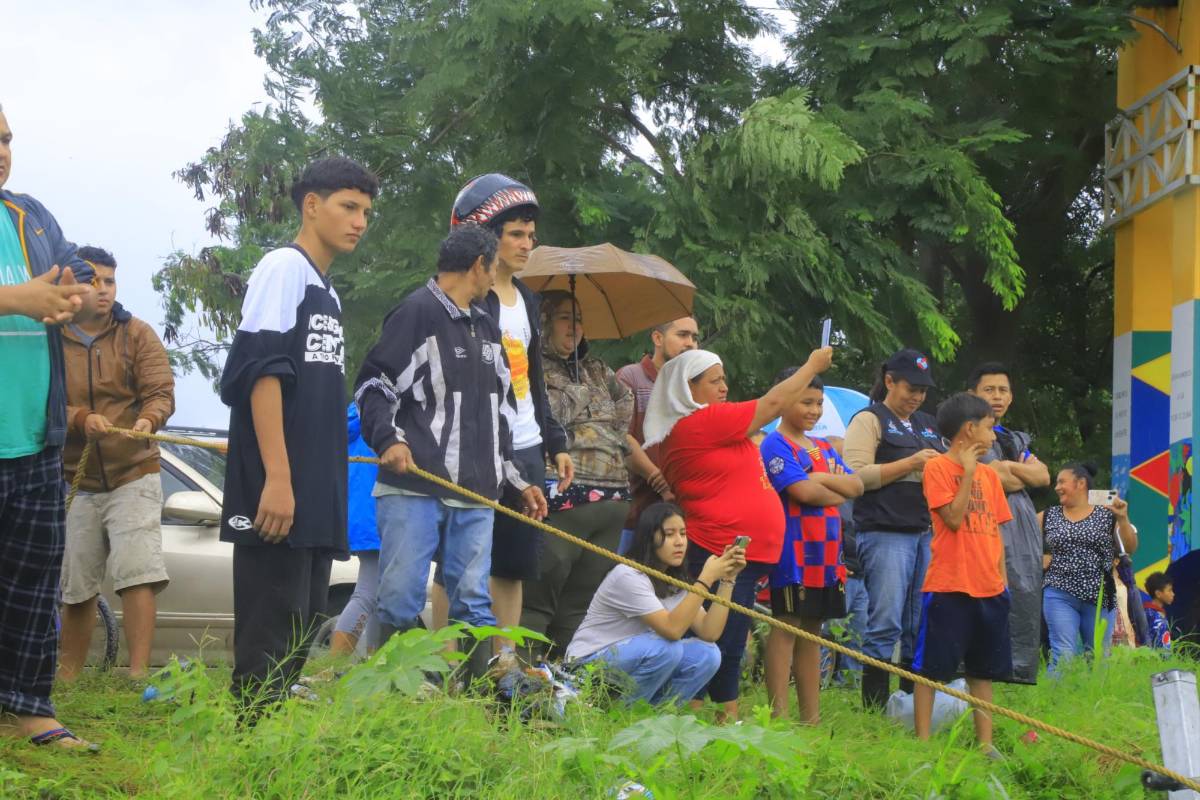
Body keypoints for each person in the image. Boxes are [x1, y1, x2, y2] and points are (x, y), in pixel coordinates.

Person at [354, 224, 549, 680]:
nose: (495, 277)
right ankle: (402, 693)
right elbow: (374, 385)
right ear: (479, 265)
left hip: (478, 493)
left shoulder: (486, 325)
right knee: (400, 596)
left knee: (473, 601)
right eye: (493, 267)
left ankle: (473, 700)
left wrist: (518, 482)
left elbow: (501, 413)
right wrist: (389, 440)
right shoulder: (416, 313)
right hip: (415, 486)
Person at [219, 157, 378, 711]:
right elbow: (260, 372)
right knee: (269, 627)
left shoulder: (326, 291)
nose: (359, 222)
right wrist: (278, 478)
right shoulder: (283, 268)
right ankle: (249, 740)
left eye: (366, 212)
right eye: (348, 207)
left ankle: (270, 741)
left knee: (300, 625)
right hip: (277, 486)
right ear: (312, 205)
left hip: (313, 488)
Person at [643, 346, 833, 720]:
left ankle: (716, 719)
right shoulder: (699, 421)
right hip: (719, 550)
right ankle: (707, 720)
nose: (724, 387)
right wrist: (811, 365)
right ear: (688, 388)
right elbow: (773, 403)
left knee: (726, 642)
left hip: (736, 553)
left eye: (724, 379)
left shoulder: (709, 426)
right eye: (714, 381)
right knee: (718, 644)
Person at [436, 174, 573, 650]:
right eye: (515, 234)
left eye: (531, 235)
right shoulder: (465, 297)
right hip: (475, 445)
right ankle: (445, 664)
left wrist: (554, 440)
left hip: (527, 444)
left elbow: (532, 378)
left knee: (514, 564)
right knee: (455, 561)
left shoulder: (528, 299)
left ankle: (504, 664)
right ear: (485, 236)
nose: (526, 244)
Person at [0, 104, 96, 748]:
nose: (2, 151)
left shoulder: (28, 215)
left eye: (6, 139)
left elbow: (77, 276)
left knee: (32, 581)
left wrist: (71, 296)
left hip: (35, 438)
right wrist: (19, 298)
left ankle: (30, 706)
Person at [58, 246, 176, 682]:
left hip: (134, 471)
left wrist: (148, 420)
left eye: (109, 281)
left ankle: (137, 674)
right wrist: (80, 419)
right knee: (76, 583)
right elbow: (42, 400)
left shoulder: (137, 333)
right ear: (72, 286)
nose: (104, 290)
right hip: (76, 477)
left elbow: (161, 392)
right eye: (94, 282)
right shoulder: (52, 337)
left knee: (138, 573)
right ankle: (68, 677)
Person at [520, 292, 633, 654]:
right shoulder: (530, 367)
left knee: (580, 605)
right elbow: (549, 417)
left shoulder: (596, 368)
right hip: (563, 494)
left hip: (613, 494)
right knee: (538, 598)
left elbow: (625, 401)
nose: (575, 327)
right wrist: (580, 395)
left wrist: (608, 435)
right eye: (564, 318)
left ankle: (565, 677)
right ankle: (523, 676)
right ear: (543, 323)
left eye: (579, 319)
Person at [843, 348, 945, 709]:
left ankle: (911, 705)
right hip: (884, 531)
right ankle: (874, 707)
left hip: (925, 532)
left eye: (923, 390)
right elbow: (855, 477)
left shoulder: (929, 424)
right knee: (885, 620)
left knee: (919, 622)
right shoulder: (869, 419)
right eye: (911, 388)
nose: (917, 397)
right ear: (889, 381)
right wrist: (911, 463)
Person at [759, 373, 863, 723]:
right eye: (806, 402)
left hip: (827, 554)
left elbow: (856, 485)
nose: (814, 410)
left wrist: (819, 479)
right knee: (786, 625)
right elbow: (802, 492)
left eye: (818, 403)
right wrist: (829, 487)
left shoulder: (824, 447)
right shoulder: (774, 444)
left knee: (813, 630)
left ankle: (811, 718)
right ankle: (778, 716)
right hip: (792, 552)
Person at [565, 503, 744, 706]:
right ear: (649, 539)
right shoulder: (628, 575)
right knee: (667, 648)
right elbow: (672, 630)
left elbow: (709, 632)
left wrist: (728, 580)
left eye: (683, 533)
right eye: (669, 534)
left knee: (708, 654)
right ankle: (623, 713)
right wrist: (706, 578)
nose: (679, 542)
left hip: (631, 660)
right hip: (586, 667)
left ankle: (655, 715)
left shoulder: (673, 580)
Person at [913, 393, 1012, 753]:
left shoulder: (991, 476)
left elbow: (997, 533)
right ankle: (922, 742)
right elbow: (953, 519)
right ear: (969, 429)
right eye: (989, 427)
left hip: (990, 588)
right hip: (949, 585)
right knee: (931, 669)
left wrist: (1003, 583)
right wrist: (967, 473)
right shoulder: (937, 468)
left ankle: (985, 744)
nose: (993, 435)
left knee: (982, 671)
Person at [967, 362, 1049, 684]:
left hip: (1021, 525)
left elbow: (1042, 476)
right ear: (972, 393)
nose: (997, 396)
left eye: (1003, 390)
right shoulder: (964, 433)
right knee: (987, 592)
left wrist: (1008, 468)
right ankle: (981, 669)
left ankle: (1016, 671)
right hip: (984, 520)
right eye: (989, 389)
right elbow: (999, 478)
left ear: (1011, 397)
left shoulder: (1014, 439)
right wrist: (1015, 471)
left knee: (1023, 591)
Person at [1038, 463, 1138, 675]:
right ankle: (1057, 695)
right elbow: (1018, 534)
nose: (1057, 487)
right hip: (1059, 593)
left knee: (1098, 658)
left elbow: (1130, 547)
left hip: (1100, 596)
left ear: (1081, 483)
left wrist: (1122, 517)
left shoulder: (1107, 514)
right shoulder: (1049, 515)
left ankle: (1093, 696)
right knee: (1063, 655)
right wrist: (1039, 557)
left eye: (1062, 482)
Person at [615, 317, 700, 554]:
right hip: (636, 513)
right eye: (682, 335)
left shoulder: (695, 386)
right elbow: (620, 437)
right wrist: (659, 481)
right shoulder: (631, 377)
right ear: (657, 338)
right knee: (627, 574)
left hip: (684, 518)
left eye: (695, 337)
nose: (690, 343)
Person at [330, 402, 381, 656]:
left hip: (361, 513)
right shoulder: (382, 411)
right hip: (377, 514)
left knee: (378, 596)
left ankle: (372, 664)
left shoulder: (356, 413)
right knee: (369, 593)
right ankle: (332, 667)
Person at [1142, 572, 1173, 651]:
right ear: (1158, 594)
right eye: (1169, 590)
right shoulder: (1154, 615)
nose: (1173, 594)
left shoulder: (1149, 611)